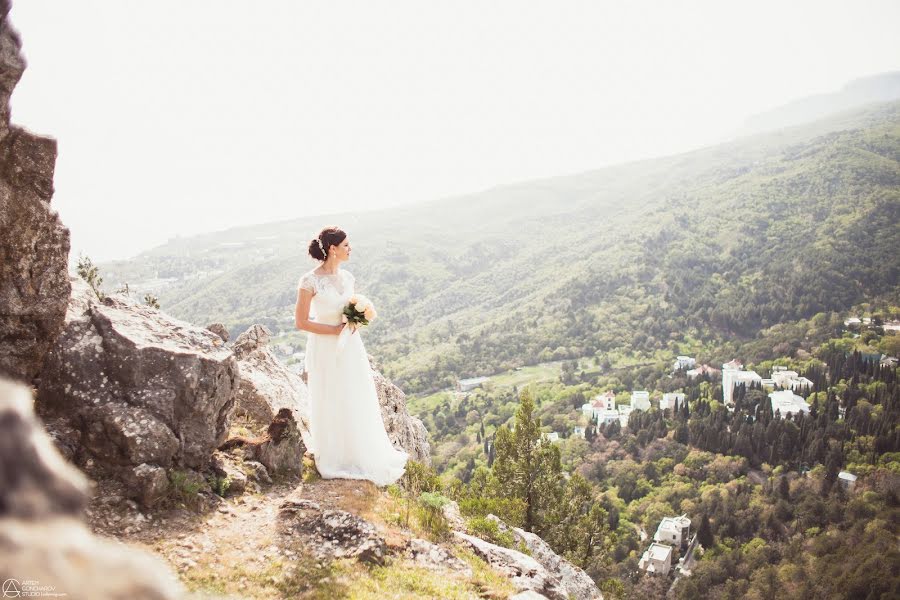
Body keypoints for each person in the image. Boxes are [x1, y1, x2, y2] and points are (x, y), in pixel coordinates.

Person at [294, 226, 408, 485]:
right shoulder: (309, 281)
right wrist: (333, 330)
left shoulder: (348, 278)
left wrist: (355, 321)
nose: (350, 248)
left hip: (351, 346)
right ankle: (335, 455)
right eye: (346, 245)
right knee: (330, 394)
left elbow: (347, 308)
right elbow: (301, 322)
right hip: (324, 346)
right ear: (332, 249)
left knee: (354, 393)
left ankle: (359, 449)